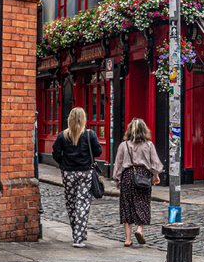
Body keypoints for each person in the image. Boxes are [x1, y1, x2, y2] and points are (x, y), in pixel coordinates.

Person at [51, 106, 102, 248]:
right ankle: (79, 237)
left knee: (71, 202)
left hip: (68, 173)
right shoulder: (89, 135)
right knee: (83, 204)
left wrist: (63, 162)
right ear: (83, 119)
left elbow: (55, 153)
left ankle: (77, 232)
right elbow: (98, 151)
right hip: (85, 172)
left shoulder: (63, 135)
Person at [111, 117, 163, 247]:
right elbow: (155, 163)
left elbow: (118, 164)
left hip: (127, 176)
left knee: (126, 205)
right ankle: (139, 229)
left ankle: (127, 239)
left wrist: (117, 179)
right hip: (143, 176)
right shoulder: (149, 145)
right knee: (143, 203)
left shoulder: (124, 145)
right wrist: (156, 175)